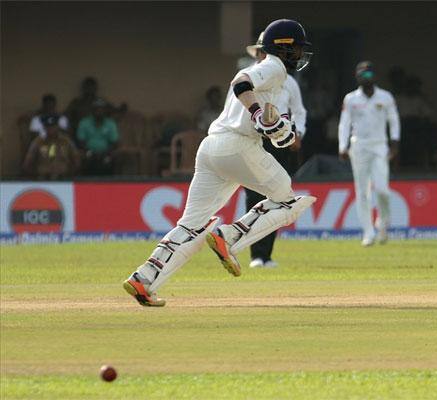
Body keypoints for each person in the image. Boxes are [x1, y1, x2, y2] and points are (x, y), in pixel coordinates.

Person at [122, 19, 315, 307]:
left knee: (191, 226)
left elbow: (269, 127)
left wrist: (278, 130)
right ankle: (230, 238)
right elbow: (241, 82)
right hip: (238, 147)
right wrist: (257, 113)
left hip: (212, 148)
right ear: (284, 48)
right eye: (297, 49)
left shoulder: (273, 76)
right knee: (288, 199)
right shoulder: (274, 67)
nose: (300, 55)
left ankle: (144, 279)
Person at [243, 31, 307, 269]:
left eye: (263, 51)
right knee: (254, 197)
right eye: (259, 53)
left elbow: (299, 111)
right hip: (254, 140)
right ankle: (255, 255)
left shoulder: (288, 81)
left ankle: (266, 255)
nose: (261, 56)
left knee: (278, 197)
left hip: (280, 142)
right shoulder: (249, 77)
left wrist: (297, 133)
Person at [338, 61, 400, 246]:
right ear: (357, 77)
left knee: (382, 189)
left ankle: (382, 224)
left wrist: (394, 142)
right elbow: (344, 123)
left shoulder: (385, 97)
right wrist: (343, 146)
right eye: (362, 75)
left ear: (374, 76)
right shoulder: (350, 99)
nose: (366, 78)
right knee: (362, 191)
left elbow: (394, 120)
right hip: (359, 147)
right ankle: (368, 232)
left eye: (369, 75)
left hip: (380, 145)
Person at [23, 114, 80, 180]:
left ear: (58, 126)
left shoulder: (66, 141)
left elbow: (76, 161)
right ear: (44, 127)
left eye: (53, 126)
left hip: (63, 179)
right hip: (43, 179)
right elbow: (27, 164)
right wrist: (35, 177)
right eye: (48, 127)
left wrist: (69, 175)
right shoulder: (38, 142)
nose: (50, 129)